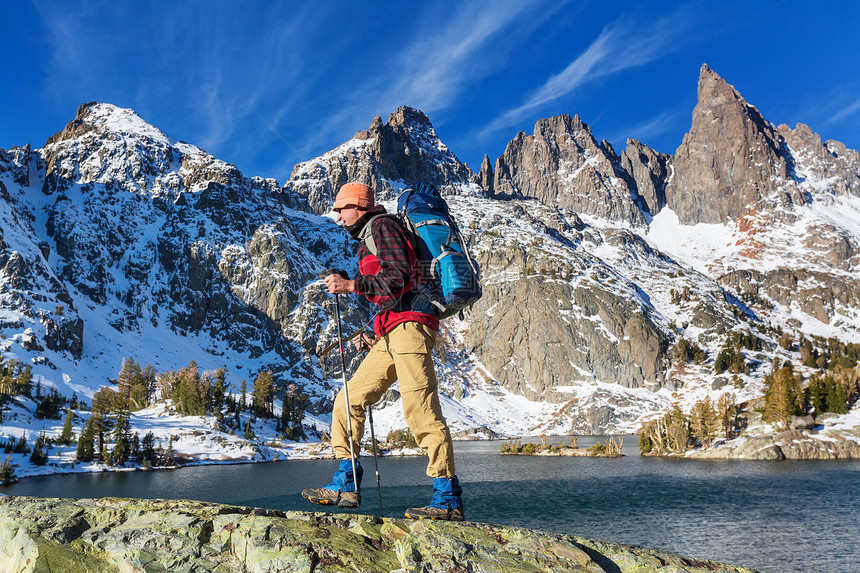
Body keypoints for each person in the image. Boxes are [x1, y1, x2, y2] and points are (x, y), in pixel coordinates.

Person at [301, 181, 464, 521]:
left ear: (359, 207)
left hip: (412, 329)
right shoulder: (369, 237)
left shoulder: (382, 226)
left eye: (341, 208)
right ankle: (346, 485)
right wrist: (374, 331)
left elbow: (400, 275)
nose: (337, 215)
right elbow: (392, 293)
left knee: (420, 409)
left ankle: (448, 499)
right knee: (348, 401)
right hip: (392, 331)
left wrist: (350, 285)